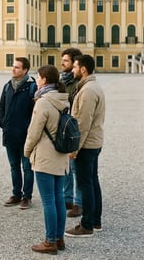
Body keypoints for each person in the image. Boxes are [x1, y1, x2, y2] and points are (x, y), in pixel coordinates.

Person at [24, 65, 70, 255]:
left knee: (48, 200)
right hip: (60, 155)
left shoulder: (43, 102)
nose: (36, 80)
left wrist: (27, 151)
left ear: (43, 80)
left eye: (38, 77)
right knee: (59, 197)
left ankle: (50, 241)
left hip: (44, 156)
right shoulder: (63, 99)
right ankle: (59, 238)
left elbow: (34, 132)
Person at [65, 54, 105, 237]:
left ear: (83, 69)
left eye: (74, 67)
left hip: (87, 145)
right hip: (93, 143)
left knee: (85, 185)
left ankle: (87, 225)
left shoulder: (88, 90)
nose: (72, 70)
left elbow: (83, 122)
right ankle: (95, 221)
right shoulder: (91, 86)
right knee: (92, 182)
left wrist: (74, 149)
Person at [0, 57, 36, 209]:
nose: (13, 69)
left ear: (25, 70)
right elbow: (1, 107)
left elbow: (36, 112)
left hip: (26, 135)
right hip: (9, 133)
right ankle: (16, 194)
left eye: (17, 67)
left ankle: (27, 196)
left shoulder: (32, 87)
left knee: (27, 167)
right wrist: (3, 123)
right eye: (13, 67)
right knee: (14, 166)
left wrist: (29, 128)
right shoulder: (8, 86)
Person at [60, 48, 83, 218]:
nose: (63, 63)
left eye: (66, 61)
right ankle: (67, 197)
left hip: (73, 127)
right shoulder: (63, 80)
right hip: (64, 128)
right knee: (66, 166)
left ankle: (79, 202)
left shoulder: (77, 84)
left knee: (76, 168)